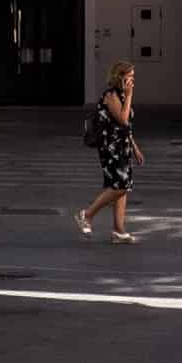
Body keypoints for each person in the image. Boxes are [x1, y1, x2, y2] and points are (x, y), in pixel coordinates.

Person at [76, 61, 144, 243]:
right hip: (111, 148)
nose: (132, 80)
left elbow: (126, 127)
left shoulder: (122, 95)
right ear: (119, 77)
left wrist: (135, 148)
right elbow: (122, 119)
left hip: (123, 146)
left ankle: (119, 231)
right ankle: (87, 214)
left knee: (122, 188)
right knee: (119, 186)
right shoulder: (111, 95)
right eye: (129, 76)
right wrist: (129, 95)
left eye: (133, 77)